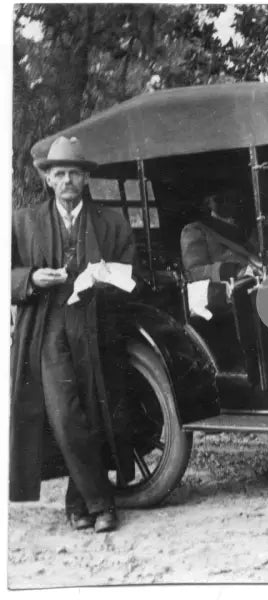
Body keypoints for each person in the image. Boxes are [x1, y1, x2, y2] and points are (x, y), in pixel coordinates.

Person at [10, 136, 136, 532]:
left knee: (96, 410)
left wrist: (103, 277)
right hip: (46, 324)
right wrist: (30, 277)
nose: (66, 180)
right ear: (47, 179)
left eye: (74, 173)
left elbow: (129, 271)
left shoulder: (111, 221)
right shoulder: (23, 221)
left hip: (97, 323)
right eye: (59, 173)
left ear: (85, 180)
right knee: (64, 414)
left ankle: (78, 501)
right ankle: (102, 504)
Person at [179, 189, 261, 281]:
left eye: (231, 199)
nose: (226, 204)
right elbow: (193, 272)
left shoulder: (245, 230)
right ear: (208, 203)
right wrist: (233, 271)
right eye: (219, 200)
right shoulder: (195, 230)